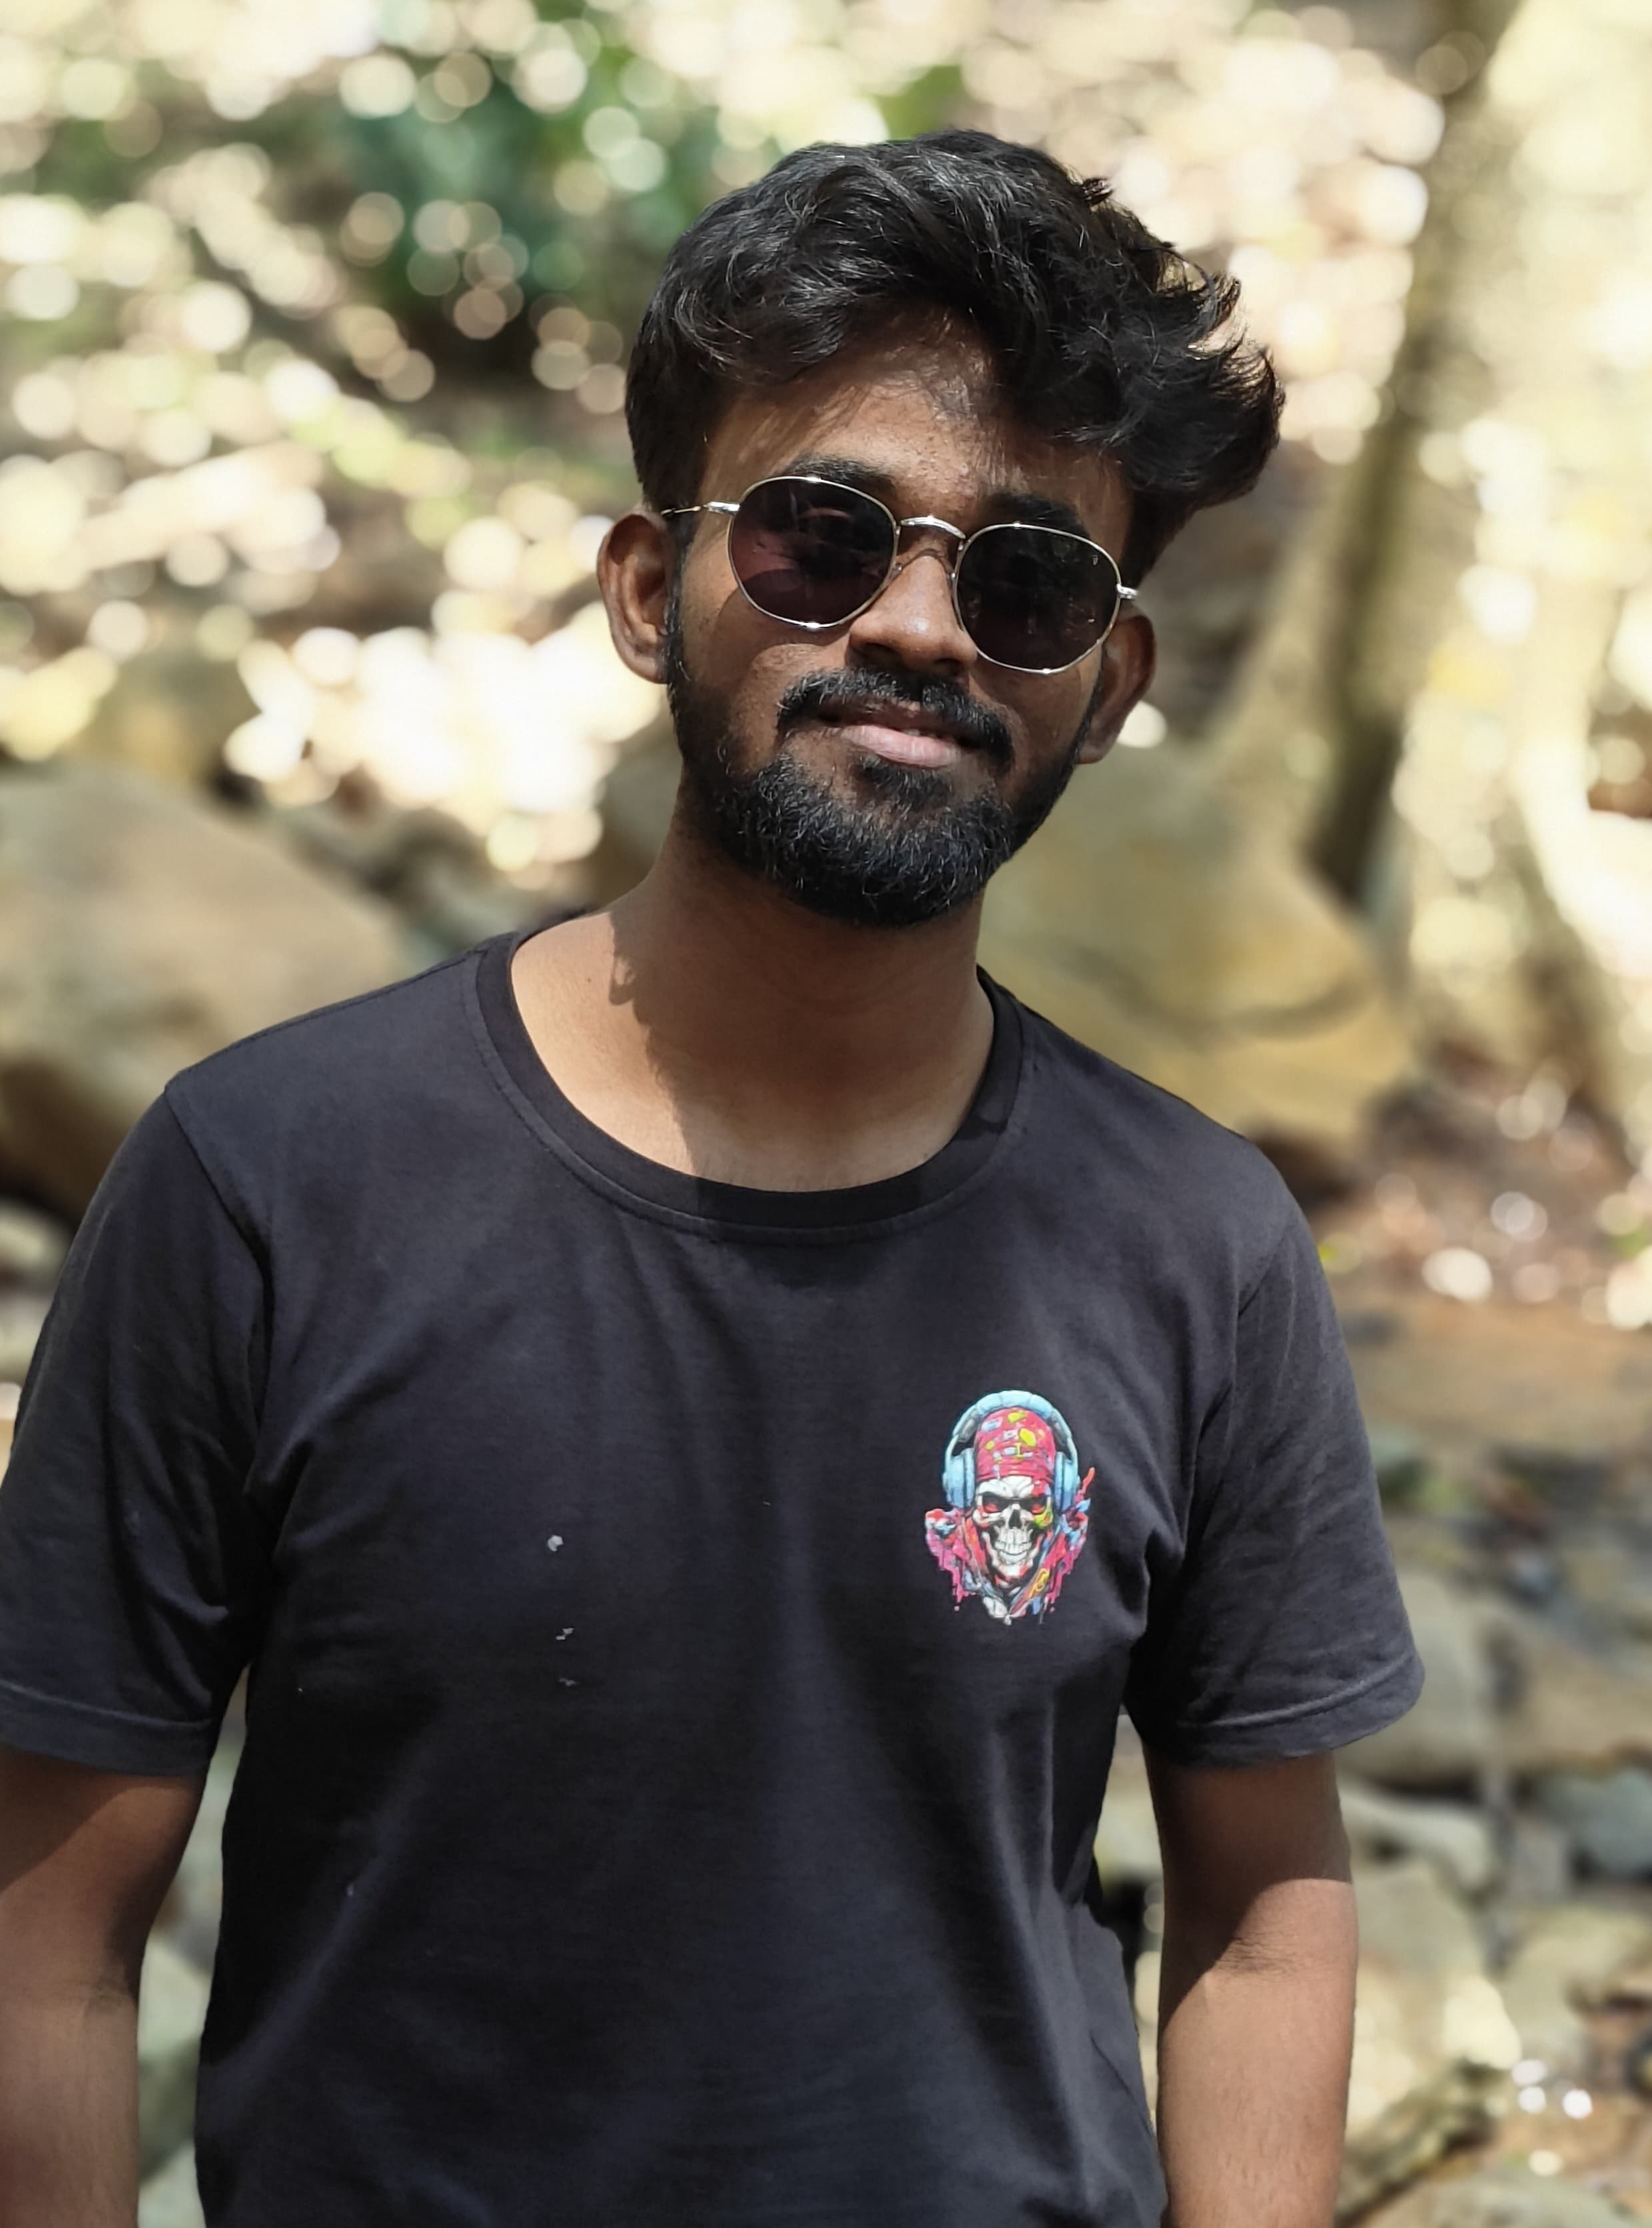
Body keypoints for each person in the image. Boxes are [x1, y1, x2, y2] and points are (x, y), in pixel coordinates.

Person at [0, 129, 1420, 2228]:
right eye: (822, 540)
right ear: (649, 590)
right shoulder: (267, 1184)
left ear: (1107, 683)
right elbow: (46, 1929)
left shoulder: (1194, 1244)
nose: (919, 626)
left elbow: (1266, 1920)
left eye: (1026, 580)